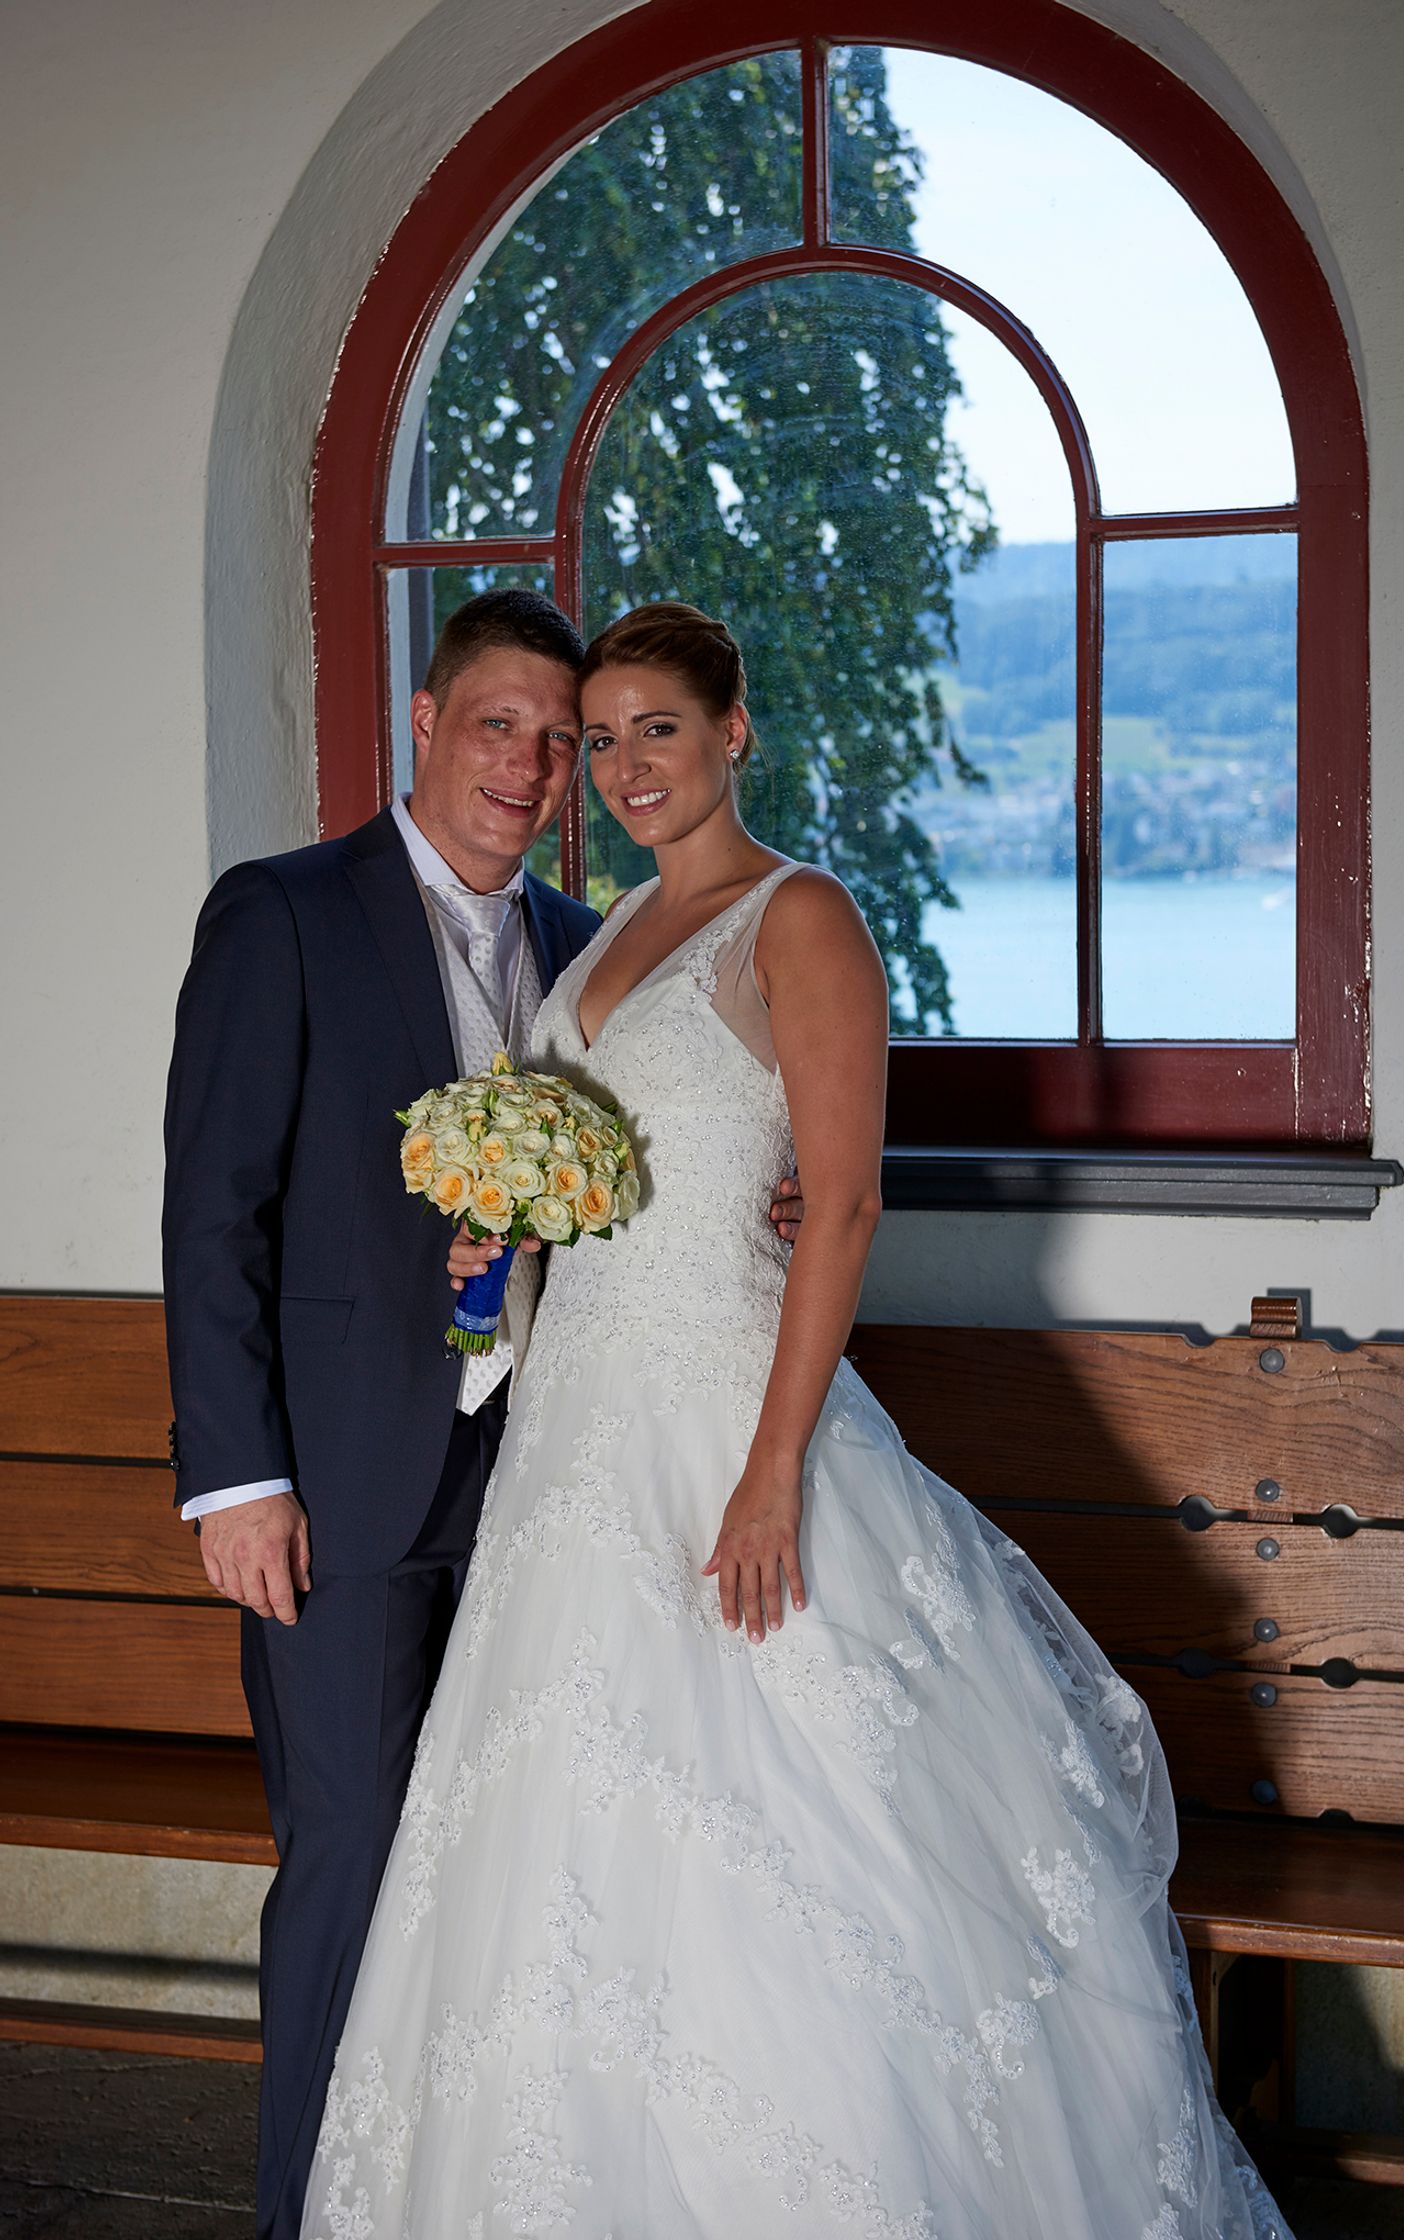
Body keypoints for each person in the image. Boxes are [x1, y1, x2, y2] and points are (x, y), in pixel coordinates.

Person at [299, 602, 1291, 2239]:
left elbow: (838, 1205)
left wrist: (770, 1479)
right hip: (573, 1433)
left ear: (733, 731)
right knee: (563, 1839)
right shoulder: (605, 928)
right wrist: (499, 1247)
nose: (621, 766)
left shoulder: (801, 915)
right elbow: (606, 1185)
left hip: (728, 1422)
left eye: (656, 730)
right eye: (598, 740)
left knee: (784, 1831)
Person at [162, 587, 803, 2240]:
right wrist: (236, 1480)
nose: (528, 765)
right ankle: (303, 2215)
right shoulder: (284, 911)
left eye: (559, 740)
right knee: (352, 1854)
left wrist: (772, 1192)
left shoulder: (596, 944)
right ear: (425, 723)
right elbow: (214, 1209)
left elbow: (668, 1156)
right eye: (499, 726)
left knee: (507, 1874)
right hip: (343, 1487)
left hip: (544, 1482)